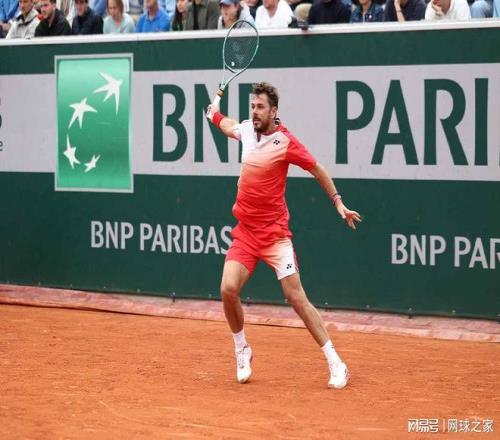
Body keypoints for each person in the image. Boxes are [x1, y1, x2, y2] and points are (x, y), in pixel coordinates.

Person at [206, 82, 361, 388]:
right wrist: (214, 115)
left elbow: (317, 169)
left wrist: (338, 202)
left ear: (273, 111)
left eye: (260, 107)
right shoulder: (246, 130)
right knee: (228, 289)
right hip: (246, 233)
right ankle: (242, 348)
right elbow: (226, 125)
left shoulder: (286, 142)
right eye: (252, 106)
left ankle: (336, 362)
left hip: (275, 236)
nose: (255, 112)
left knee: (296, 297)